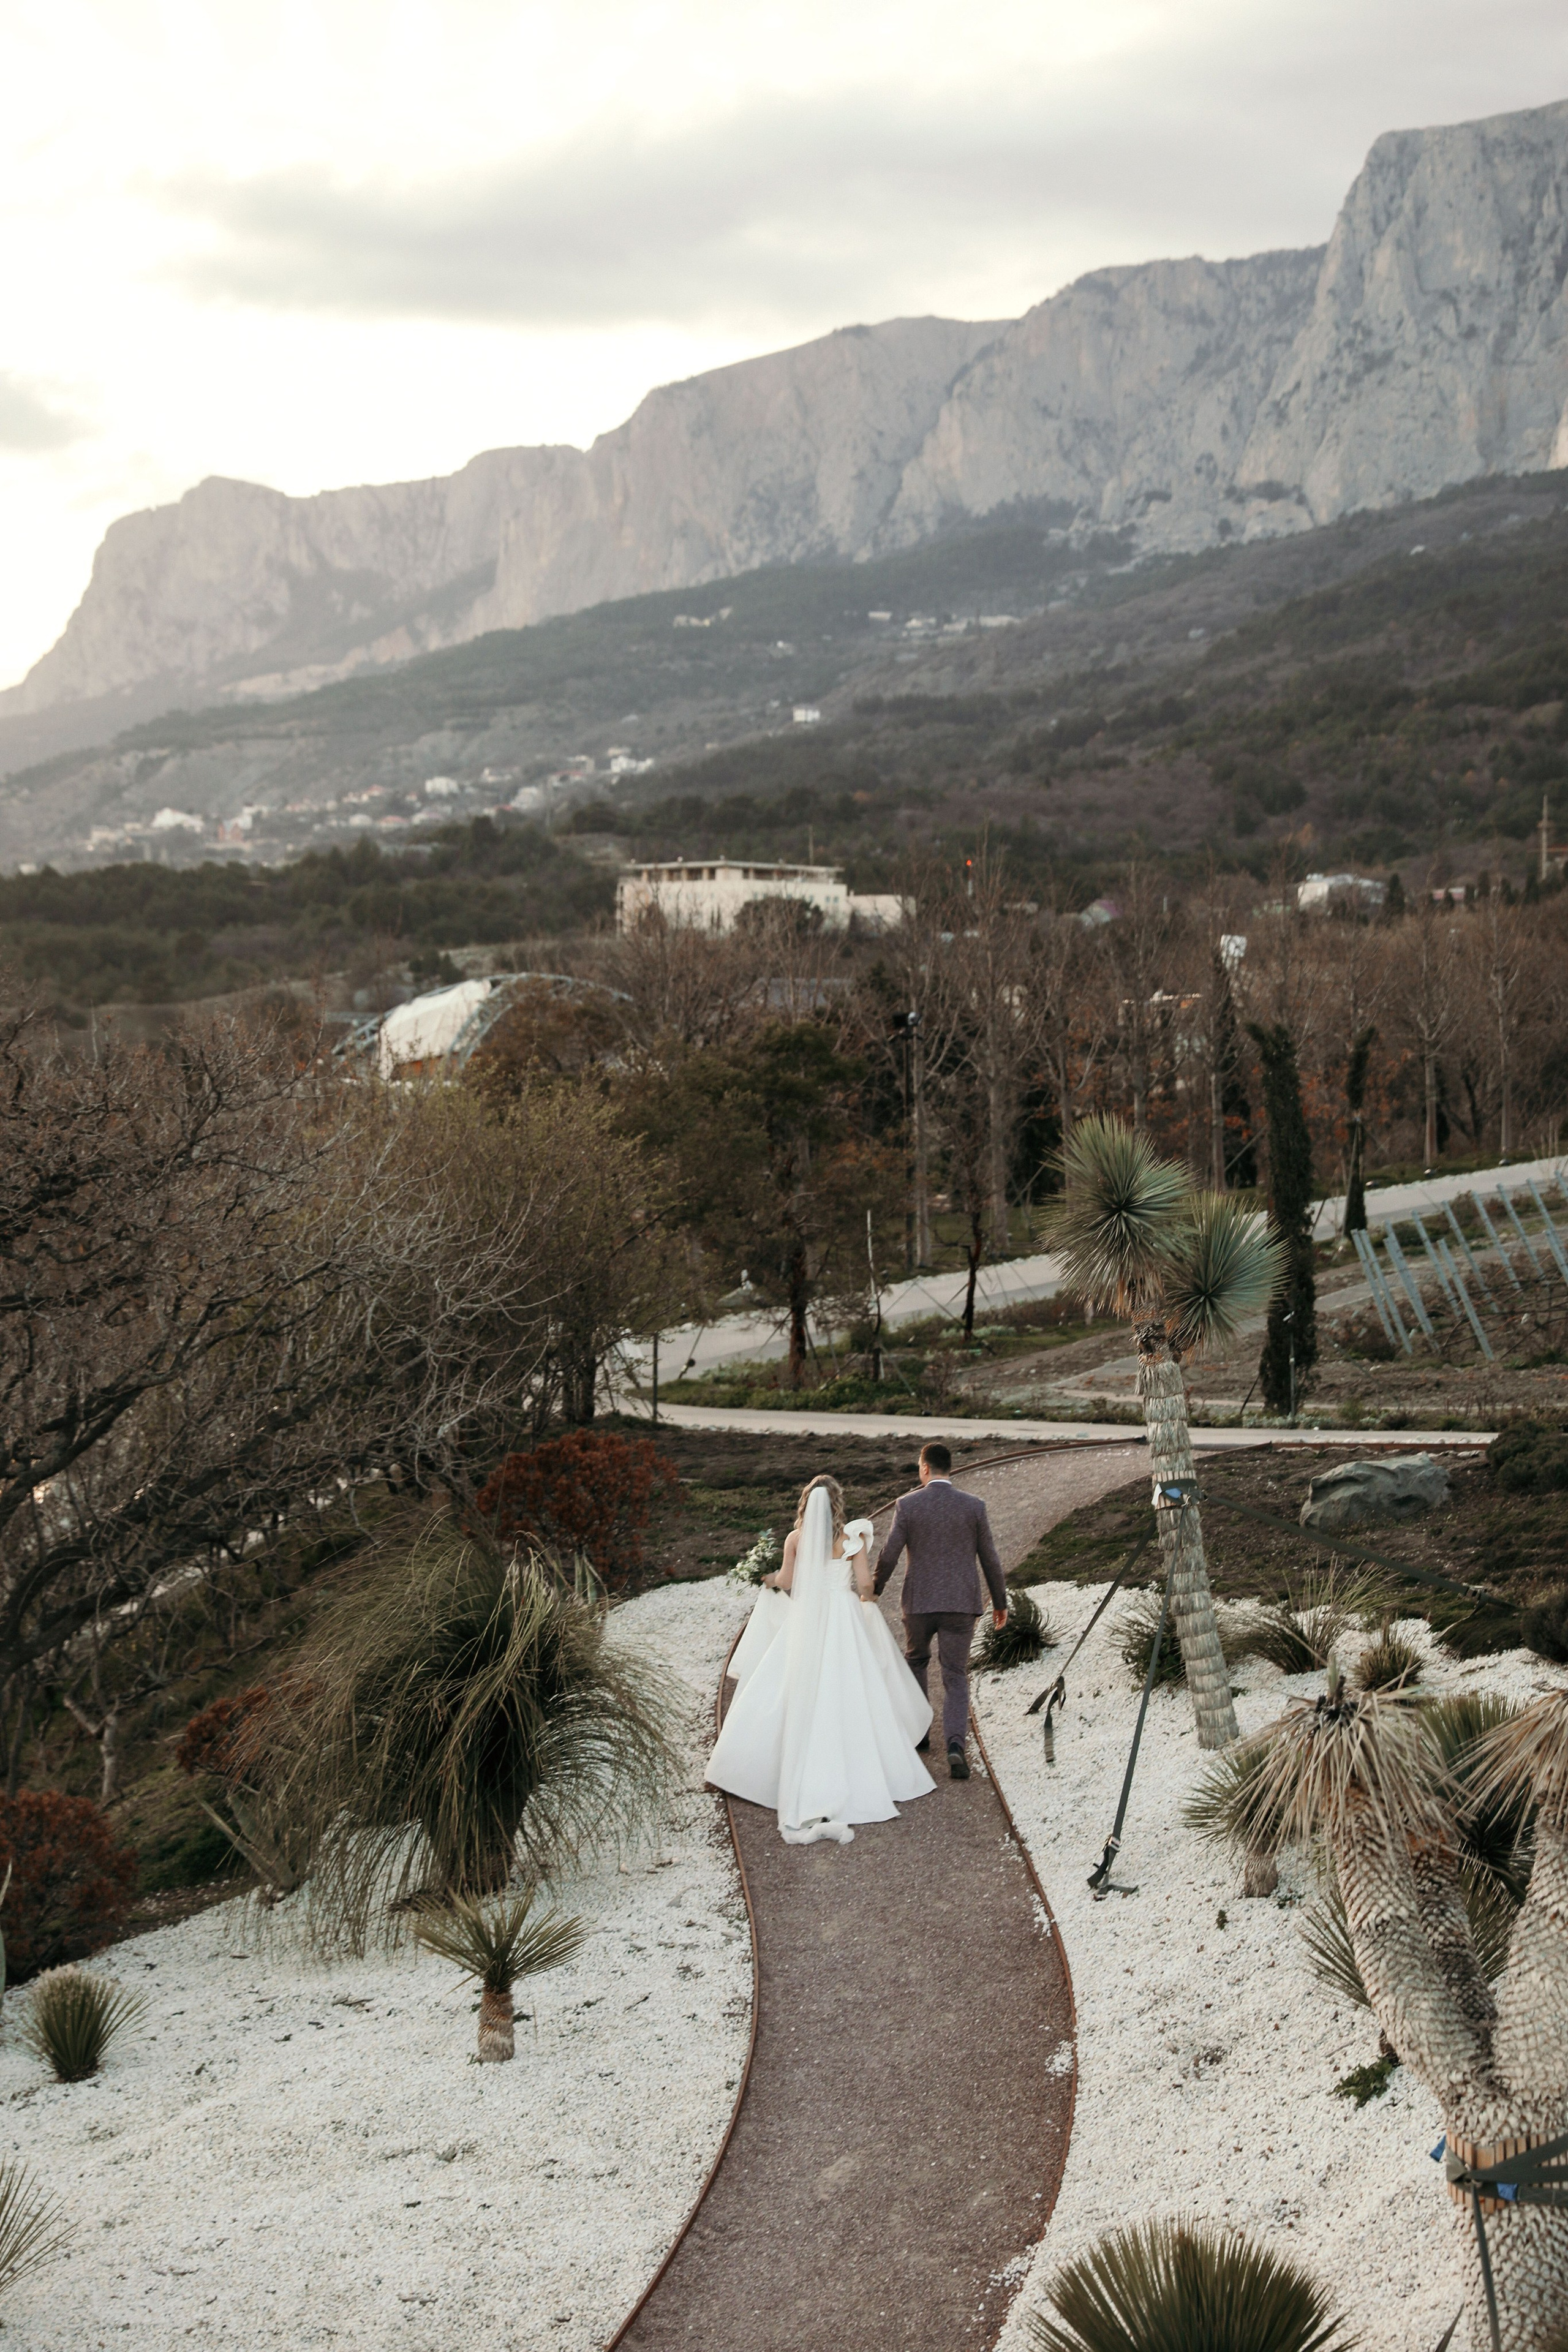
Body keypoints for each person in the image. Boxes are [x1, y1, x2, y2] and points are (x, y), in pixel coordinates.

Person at [706, 1474, 933, 1844]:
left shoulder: (796, 1539)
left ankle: (751, 1768)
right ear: (837, 1504)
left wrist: (765, 1579)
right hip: (844, 1616)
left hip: (807, 1617)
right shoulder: (851, 1539)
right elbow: (865, 1586)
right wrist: (868, 1597)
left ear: (806, 1503)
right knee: (851, 1686)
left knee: (790, 1685)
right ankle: (859, 1767)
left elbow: (786, 1580)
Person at [872, 1441, 1006, 1781]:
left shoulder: (907, 1505)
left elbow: (890, 1553)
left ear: (925, 1468)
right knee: (955, 1674)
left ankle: (920, 1734)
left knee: (916, 1662)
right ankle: (956, 1745)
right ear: (951, 1468)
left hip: (918, 1604)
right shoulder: (974, 1506)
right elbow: (990, 1558)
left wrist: (875, 1588)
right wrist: (1000, 1602)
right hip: (960, 1605)